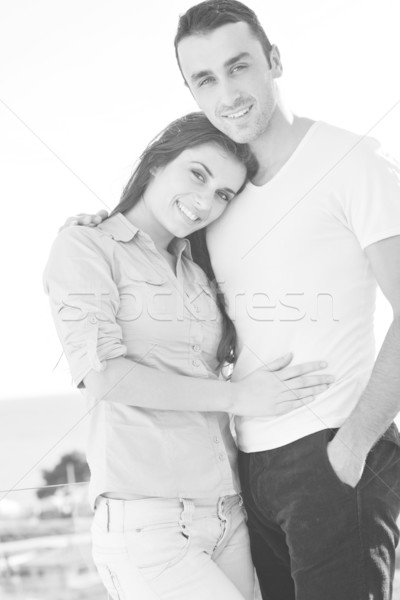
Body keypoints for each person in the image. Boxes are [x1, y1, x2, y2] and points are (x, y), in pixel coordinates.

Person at [69, 2, 400, 598]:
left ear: (274, 60)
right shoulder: (223, 194)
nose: (228, 93)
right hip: (246, 472)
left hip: (332, 452)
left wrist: (353, 445)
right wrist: (104, 224)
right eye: (205, 79)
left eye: (239, 66)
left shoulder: (354, 163)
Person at [44, 112, 333, 600]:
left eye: (224, 194)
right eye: (198, 173)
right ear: (158, 162)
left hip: (228, 515)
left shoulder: (198, 271)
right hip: (148, 524)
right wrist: (240, 397)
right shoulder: (86, 245)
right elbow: (105, 377)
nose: (205, 202)